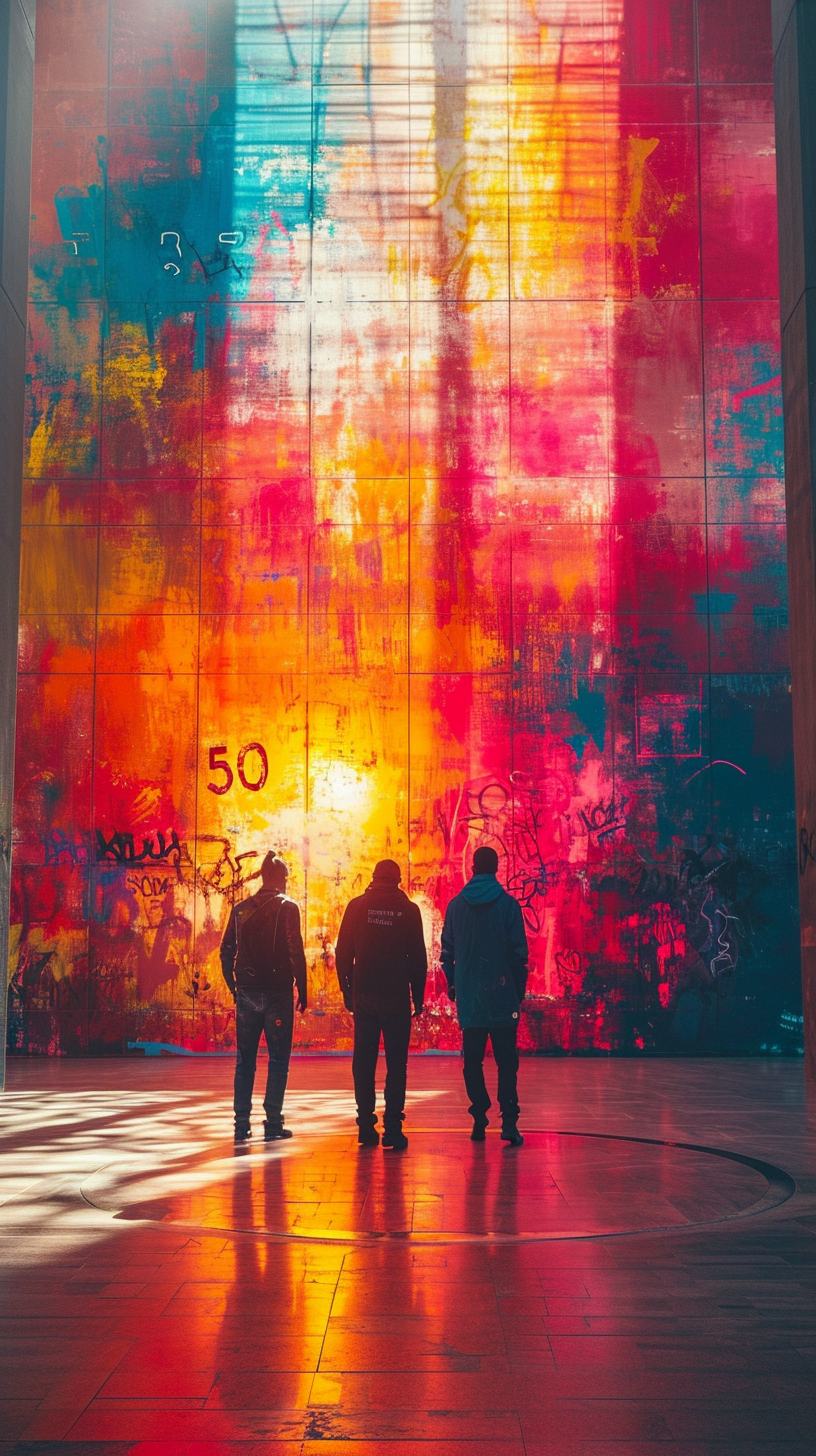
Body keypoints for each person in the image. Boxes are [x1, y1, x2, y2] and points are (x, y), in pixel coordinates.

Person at [335, 859, 427, 1151]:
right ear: (398, 880)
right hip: (396, 995)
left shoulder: (357, 906)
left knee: (364, 1060)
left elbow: (342, 953)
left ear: (374, 878)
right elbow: (418, 958)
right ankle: (393, 1129)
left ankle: (365, 1125)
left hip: (365, 994)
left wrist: (347, 990)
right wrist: (419, 995)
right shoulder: (409, 911)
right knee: (396, 1063)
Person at [441, 845, 528, 1146]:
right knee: (507, 1061)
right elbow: (520, 954)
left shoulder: (455, 906)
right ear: (496, 869)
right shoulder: (508, 905)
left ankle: (479, 1117)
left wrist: (454, 985)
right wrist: (518, 993)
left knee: (472, 1060)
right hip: (504, 996)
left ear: (473, 867)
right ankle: (509, 1122)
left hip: (470, 995)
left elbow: (446, 954)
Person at [220, 852, 307, 1142]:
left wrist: (234, 986)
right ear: (279, 879)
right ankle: (273, 1124)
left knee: (245, 1061)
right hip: (277, 993)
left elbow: (226, 951)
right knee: (278, 1060)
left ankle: (241, 1125)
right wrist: (303, 989)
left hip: (247, 993)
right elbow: (295, 951)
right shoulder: (288, 907)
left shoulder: (240, 909)